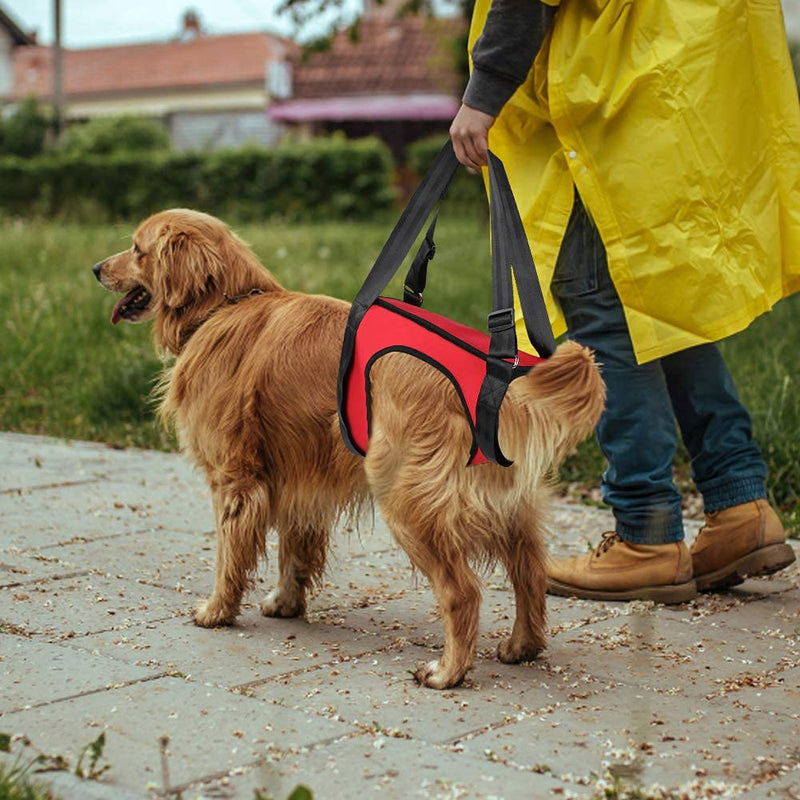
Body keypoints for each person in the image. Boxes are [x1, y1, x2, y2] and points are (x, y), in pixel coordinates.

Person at [450, 0, 800, 603]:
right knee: (659, 307)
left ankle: (647, 535)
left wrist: (481, 97)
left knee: (601, 321)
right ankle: (741, 507)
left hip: (598, 112)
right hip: (658, 101)